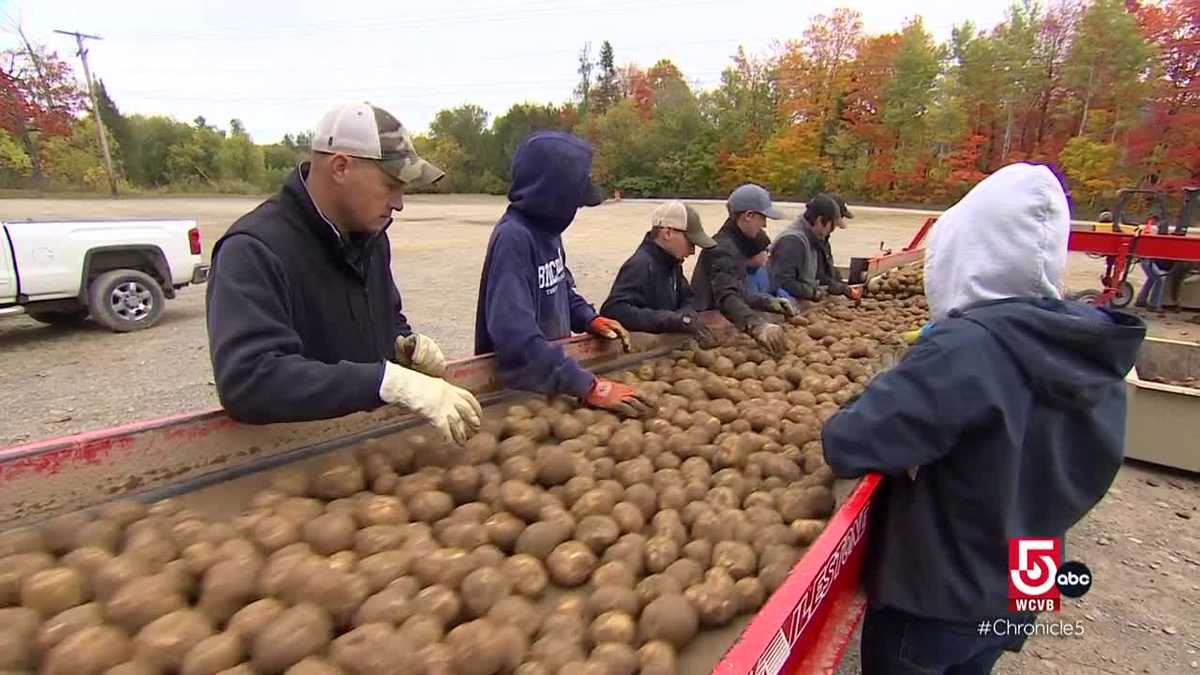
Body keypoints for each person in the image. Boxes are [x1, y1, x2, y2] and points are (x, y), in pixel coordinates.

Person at [821, 163, 1146, 674]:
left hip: (942, 595)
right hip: (1025, 584)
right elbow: (1089, 476)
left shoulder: (967, 347)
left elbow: (848, 442)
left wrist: (884, 387)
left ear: (968, 251)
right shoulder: (1096, 348)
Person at [206, 102, 482, 445]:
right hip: (293, 457)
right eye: (391, 184)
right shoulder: (253, 250)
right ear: (340, 167)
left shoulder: (370, 237)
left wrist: (402, 346)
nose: (399, 203)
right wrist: (387, 382)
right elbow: (249, 381)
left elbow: (385, 317)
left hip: (367, 447)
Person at [474, 130, 649, 418]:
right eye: (574, 203)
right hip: (516, 392)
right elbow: (515, 336)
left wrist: (588, 317)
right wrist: (589, 386)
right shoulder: (514, 239)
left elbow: (560, 288)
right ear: (553, 198)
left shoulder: (548, 230)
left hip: (551, 383)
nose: (576, 211)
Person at [691, 184, 796, 355]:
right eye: (763, 218)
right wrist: (757, 326)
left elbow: (737, 291)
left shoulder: (736, 245)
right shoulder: (723, 248)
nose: (764, 225)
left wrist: (767, 302)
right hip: (709, 325)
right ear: (748, 215)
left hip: (724, 323)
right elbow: (726, 296)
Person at [599, 201, 718, 345]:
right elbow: (614, 310)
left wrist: (685, 317)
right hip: (643, 348)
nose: (692, 251)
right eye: (690, 242)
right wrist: (671, 320)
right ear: (667, 233)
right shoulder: (640, 266)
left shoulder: (673, 263)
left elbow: (688, 298)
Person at [768, 194, 851, 301]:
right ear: (820, 220)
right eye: (832, 226)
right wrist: (813, 293)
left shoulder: (812, 239)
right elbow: (782, 282)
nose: (832, 230)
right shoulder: (792, 242)